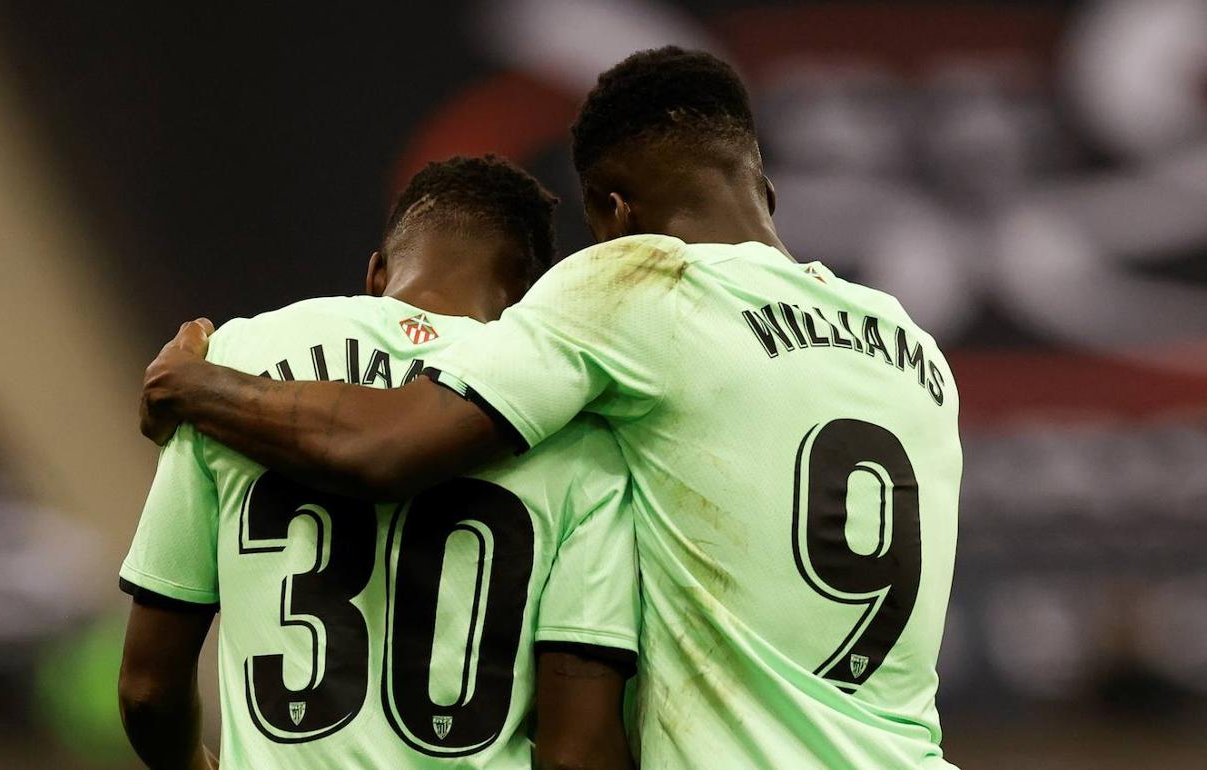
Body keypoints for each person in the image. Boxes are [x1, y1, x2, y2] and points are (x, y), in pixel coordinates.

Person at [142, 48, 962, 769]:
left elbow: (382, 449)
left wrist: (195, 385)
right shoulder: (912, 346)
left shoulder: (641, 282)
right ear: (766, 194)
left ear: (614, 214)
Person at [119, 155, 640, 770]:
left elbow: (148, 692)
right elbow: (577, 753)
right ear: (523, 305)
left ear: (375, 273)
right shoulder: (575, 430)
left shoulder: (225, 360)